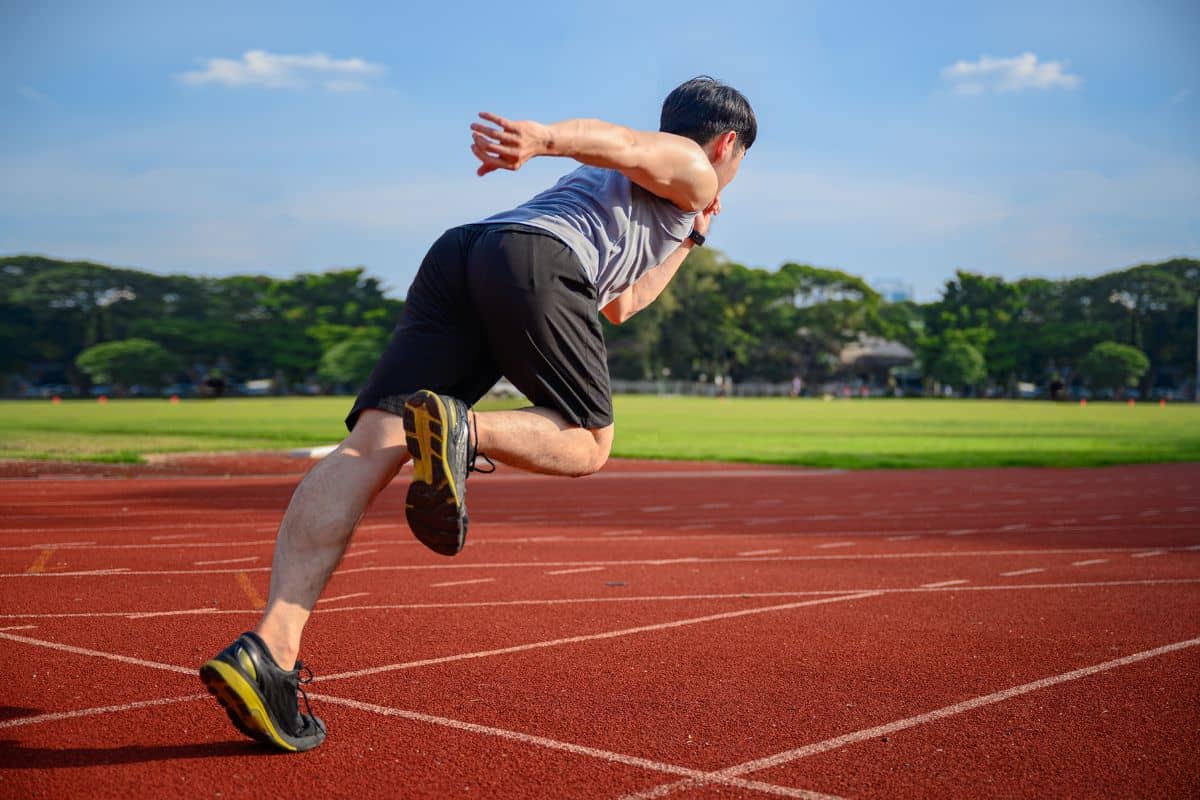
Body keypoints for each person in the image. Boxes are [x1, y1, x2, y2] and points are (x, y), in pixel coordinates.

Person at [199, 76, 756, 751]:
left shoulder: (668, 207)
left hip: (465, 253)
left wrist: (691, 237)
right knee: (587, 443)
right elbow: (624, 142)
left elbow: (621, 305)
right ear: (727, 144)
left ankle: (271, 653)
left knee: (372, 443)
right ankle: (468, 428)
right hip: (537, 260)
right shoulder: (693, 164)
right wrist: (543, 139)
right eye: (739, 162)